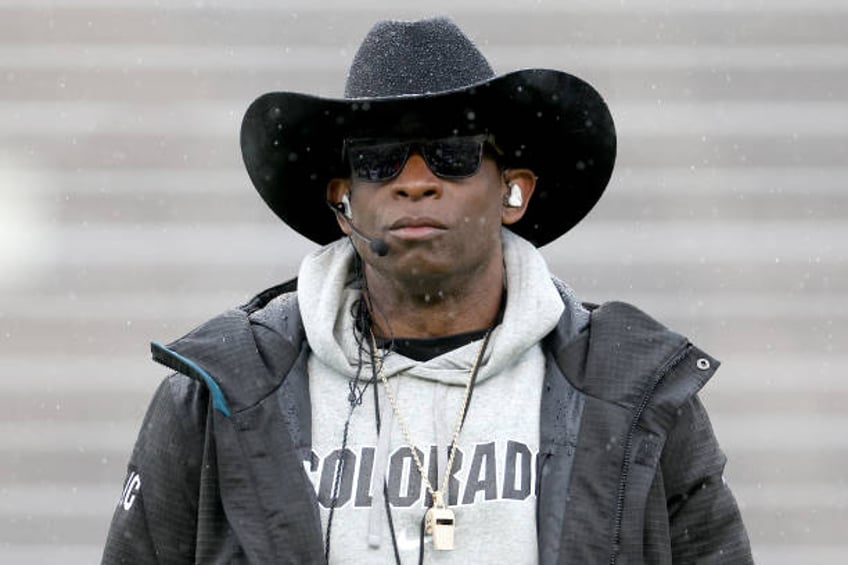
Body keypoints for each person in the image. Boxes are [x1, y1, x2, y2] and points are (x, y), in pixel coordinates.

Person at [101, 17, 753, 565]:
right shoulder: (217, 399)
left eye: (453, 152)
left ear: (512, 190)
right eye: (379, 159)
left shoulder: (635, 394)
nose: (415, 181)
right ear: (341, 200)